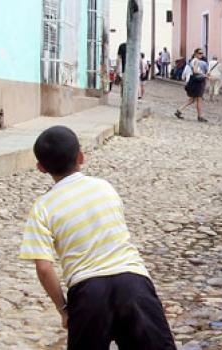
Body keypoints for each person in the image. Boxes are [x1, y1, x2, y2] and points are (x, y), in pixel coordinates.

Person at [19, 126, 177, 349]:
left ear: (41, 168)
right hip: (134, 284)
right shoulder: (105, 188)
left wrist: (63, 309)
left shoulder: (42, 207)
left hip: (87, 293)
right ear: (80, 157)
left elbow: (44, 268)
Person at [175, 48, 207, 122]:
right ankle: (200, 116)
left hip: (194, 81)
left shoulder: (193, 60)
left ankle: (179, 110)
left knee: (192, 100)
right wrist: (204, 75)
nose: (201, 54)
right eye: (199, 53)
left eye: (202, 53)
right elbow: (195, 71)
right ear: (195, 53)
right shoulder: (196, 61)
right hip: (197, 83)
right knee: (199, 99)